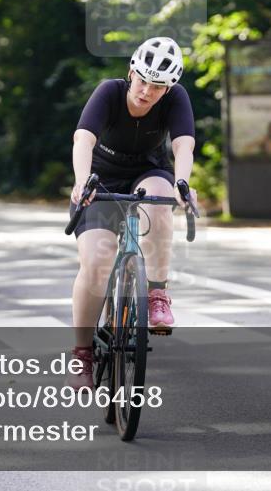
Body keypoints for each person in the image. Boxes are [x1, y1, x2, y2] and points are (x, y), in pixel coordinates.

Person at [66, 37, 197, 390]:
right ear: (131, 73)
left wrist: (183, 183)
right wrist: (82, 182)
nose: (146, 92)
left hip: (148, 172)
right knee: (96, 262)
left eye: (157, 87)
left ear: (168, 88)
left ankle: (156, 292)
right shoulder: (108, 92)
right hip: (100, 180)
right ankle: (82, 353)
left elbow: (183, 144)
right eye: (142, 81)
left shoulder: (176, 98)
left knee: (162, 195)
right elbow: (83, 139)